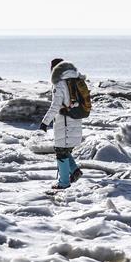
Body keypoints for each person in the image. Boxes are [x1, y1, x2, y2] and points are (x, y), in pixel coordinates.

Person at [39, 58, 85, 190]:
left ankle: (64, 182)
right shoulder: (75, 80)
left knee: (61, 151)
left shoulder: (59, 84)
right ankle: (75, 171)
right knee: (63, 149)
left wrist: (44, 123)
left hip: (64, 122)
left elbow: (55, 106)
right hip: (75, 119)